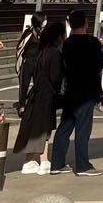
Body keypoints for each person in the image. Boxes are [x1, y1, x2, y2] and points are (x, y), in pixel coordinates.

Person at [50, 10, 103, 177]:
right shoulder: (92, 42)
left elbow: (63, 66)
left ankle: (57, 163)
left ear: (70, 23)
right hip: (87, 90)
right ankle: (82, 165)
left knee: (65, 126)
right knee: (83, 128)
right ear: (86, 22)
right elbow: (100, 63)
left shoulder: (67, 43)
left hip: (71, 88)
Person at [14, 19, 67, 174]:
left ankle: (29, 161)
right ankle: (44, 161)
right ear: (58, 37)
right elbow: (55, 78)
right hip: (46, 94)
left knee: (35, 127)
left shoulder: (42, 52)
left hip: (36, 93)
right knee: (44, 128)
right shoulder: (54, 53)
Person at [15, 11, 45, 116]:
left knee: (38, 85)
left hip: (38, 62)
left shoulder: (44, 34)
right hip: (28, 61)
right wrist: (20, 62)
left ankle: (36, 105)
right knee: (24, 85)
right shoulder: (29, 33)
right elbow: (20, 47)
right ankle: (22, 106)